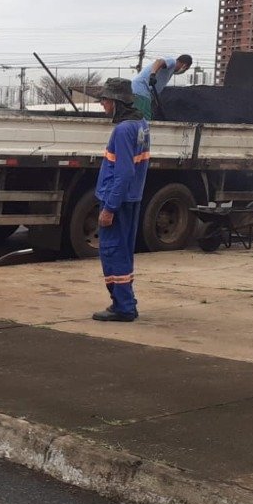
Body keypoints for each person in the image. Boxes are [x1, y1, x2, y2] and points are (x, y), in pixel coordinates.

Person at [92, 78, 151, 322]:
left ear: (116, 102)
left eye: (105, 100)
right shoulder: (141, 124)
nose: (103, 105)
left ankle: (123, 306)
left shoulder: (123, 129)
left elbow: (124, 172)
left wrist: (109, 207)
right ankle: (126, 303)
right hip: (130, 199)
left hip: (118, 201)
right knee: (123, 253)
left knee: (112, 252)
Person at [132, 54, 192, 119]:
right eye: (185, 69)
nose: (184, 71)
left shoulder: (170, 71)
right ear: (184, 65)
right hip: (141, 89)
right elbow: (158, 61)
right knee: (143, 118)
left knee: (144, 116)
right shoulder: (172, 62)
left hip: (144, 93)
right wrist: (153, 74)